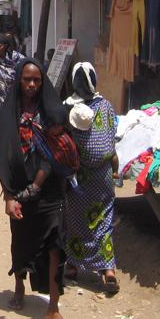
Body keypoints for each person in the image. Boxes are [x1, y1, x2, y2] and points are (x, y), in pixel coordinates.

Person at [0, 58, 71, 319]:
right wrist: (9, 196)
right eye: (27, 79)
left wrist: (41, 179)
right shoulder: (9, 113)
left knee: (55, 248)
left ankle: (53, 308)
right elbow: (2, 152)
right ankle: (19, 285)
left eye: (37, 80)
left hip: (50, 192)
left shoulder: (52, 112)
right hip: (20, 191)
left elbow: (61, 148)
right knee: (22, 241)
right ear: (19, 80)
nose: (32, 85)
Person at [63, 62, 120, 294]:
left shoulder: (69, 108)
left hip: (80, 176)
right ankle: (108, 270)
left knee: (75, 220)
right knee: (103, 220)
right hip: (104, 174)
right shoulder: (106, 106)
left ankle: (73, 265)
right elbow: (111, 136)